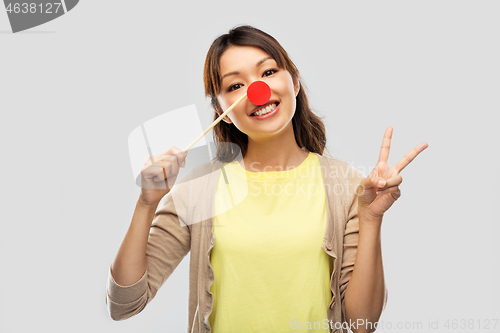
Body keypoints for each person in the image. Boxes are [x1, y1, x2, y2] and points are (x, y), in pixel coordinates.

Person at [105, 25, 428, 333]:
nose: (257, 91)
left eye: (268, 72)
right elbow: (124, 305)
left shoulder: (346, 184)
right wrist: (147, 204)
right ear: (221, 108)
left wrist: (371, 218)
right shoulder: (199, 189)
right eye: (235, 85)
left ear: (295, 82)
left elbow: (361, 325)